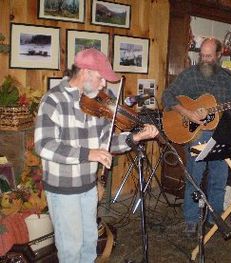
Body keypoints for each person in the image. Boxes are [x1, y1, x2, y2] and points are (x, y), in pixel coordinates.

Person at [34, 48, 159, 263]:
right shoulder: (53, 99)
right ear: (85, 72)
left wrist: (134, 138)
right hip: (63, 189)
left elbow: (106, 142)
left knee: (90, 244)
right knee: (71, 249)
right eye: (101, 78)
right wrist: (87, 154)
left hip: (88, 187)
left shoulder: (97, 103)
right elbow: (44, 145)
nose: (104, 85)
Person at [162, 38, 231, 234]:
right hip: (197, 134)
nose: (204, 60)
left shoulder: (226, 77)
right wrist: (189, 114)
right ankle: (191, 218)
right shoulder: (189, 75)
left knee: (219, 178)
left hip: (221, 134)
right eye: (202, 55)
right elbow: (167, 96)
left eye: (209, 56)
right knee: (194, 178)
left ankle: (215, 218)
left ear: (219, 56)